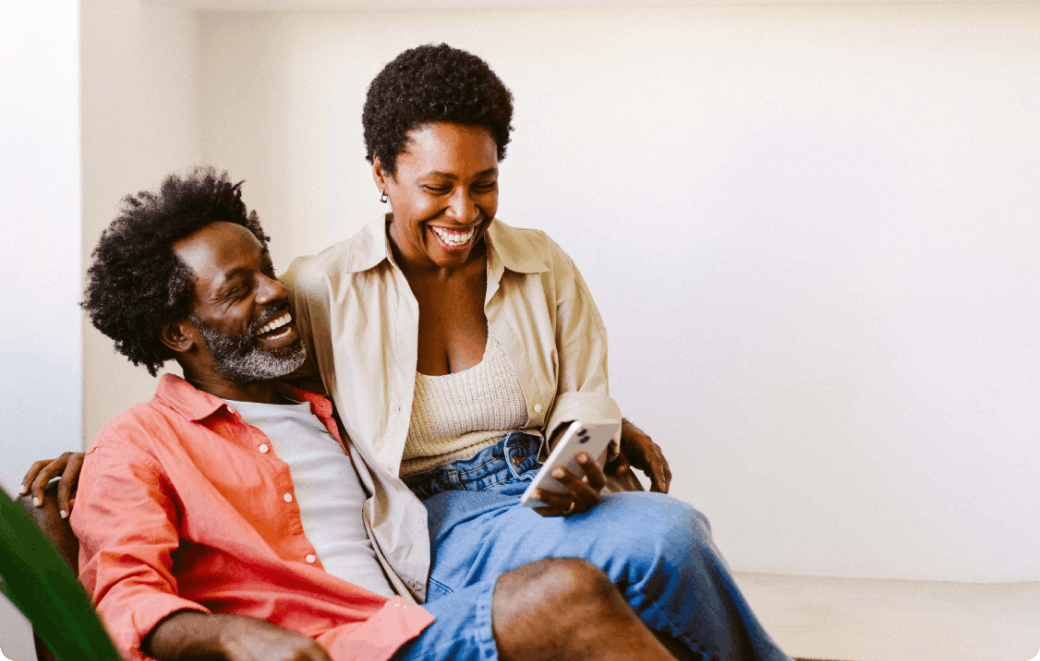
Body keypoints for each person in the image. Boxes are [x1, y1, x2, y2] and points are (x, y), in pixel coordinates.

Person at [25, 45, 793, 660]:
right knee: (642, 551)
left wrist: (591, 435)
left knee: (644, 552)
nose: (272, 294)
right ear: (383, 177)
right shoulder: (309, 301)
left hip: (463, 559)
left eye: (484, 183)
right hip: (427, 545)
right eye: (438, 186)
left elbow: (582, 391)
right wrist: (106, 472)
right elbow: (126, 575)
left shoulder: (312, 397)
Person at [47, 167, 698, 661]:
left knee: (629, 574)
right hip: (333, 647)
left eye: (267, 270)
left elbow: (445, 415)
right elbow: (119, 598)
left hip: (412, 622)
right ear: (176, 335)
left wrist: (605, 426)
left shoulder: (327, 403)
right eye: (240, 290)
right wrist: (235, 636)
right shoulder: (137, 444)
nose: (277, 292)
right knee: (565, 595)